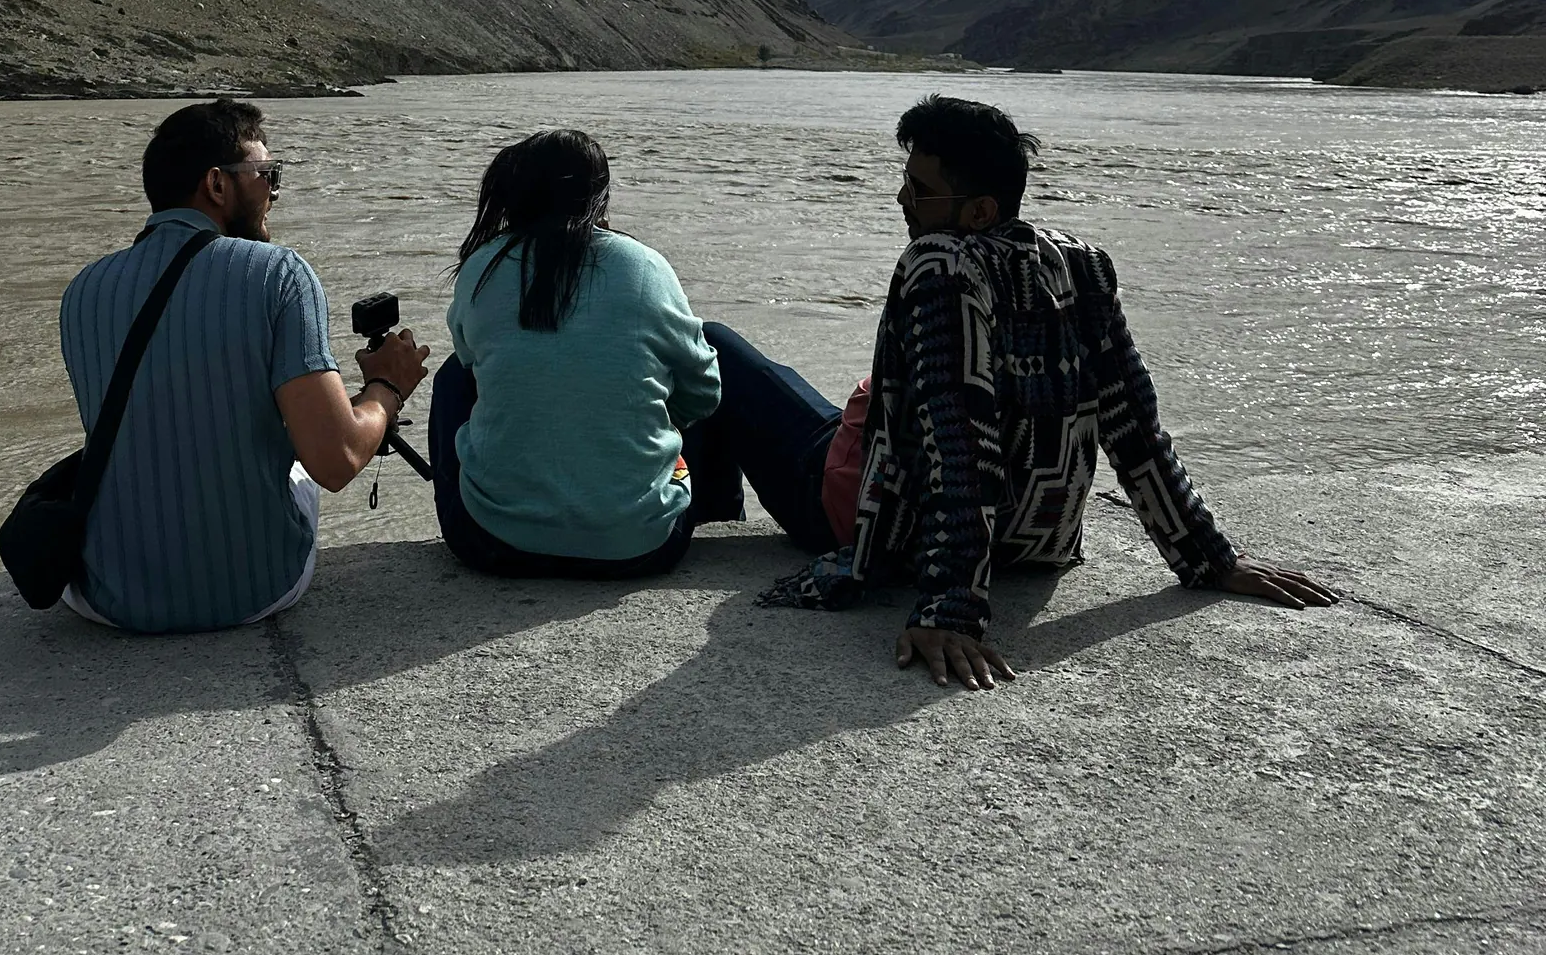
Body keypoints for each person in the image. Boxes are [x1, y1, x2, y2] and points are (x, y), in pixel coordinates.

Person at [721, 94, 1336, 686]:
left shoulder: (937, 264)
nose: (903, 200)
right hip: (1035, 543)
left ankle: (680, 518)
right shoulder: (1082, 266)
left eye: (923, 191)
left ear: (980, 212)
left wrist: (950, 607)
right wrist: (1208, 558)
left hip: (875, 521)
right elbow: (1134, 424)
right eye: (906, 183)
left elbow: (956, 439)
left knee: (712, 346)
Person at [58, 97, 429, 632]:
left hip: (107, 601)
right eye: (268, 175)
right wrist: (385, 387)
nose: (274, 191)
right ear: (217, 185)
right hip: (252, 590)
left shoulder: (83, 289)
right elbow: (337, 460)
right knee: (302, 452)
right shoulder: (279, 274)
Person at [430, 129, 726, 578]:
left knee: (454, 374)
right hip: (639, 549)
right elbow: (706, 391)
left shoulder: (482, 267)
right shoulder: (643, 266)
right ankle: (717, 517)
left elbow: (472, 363)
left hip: (490, 544)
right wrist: (663, 422)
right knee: (689, 365)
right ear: (599, 194)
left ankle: (506, 500)